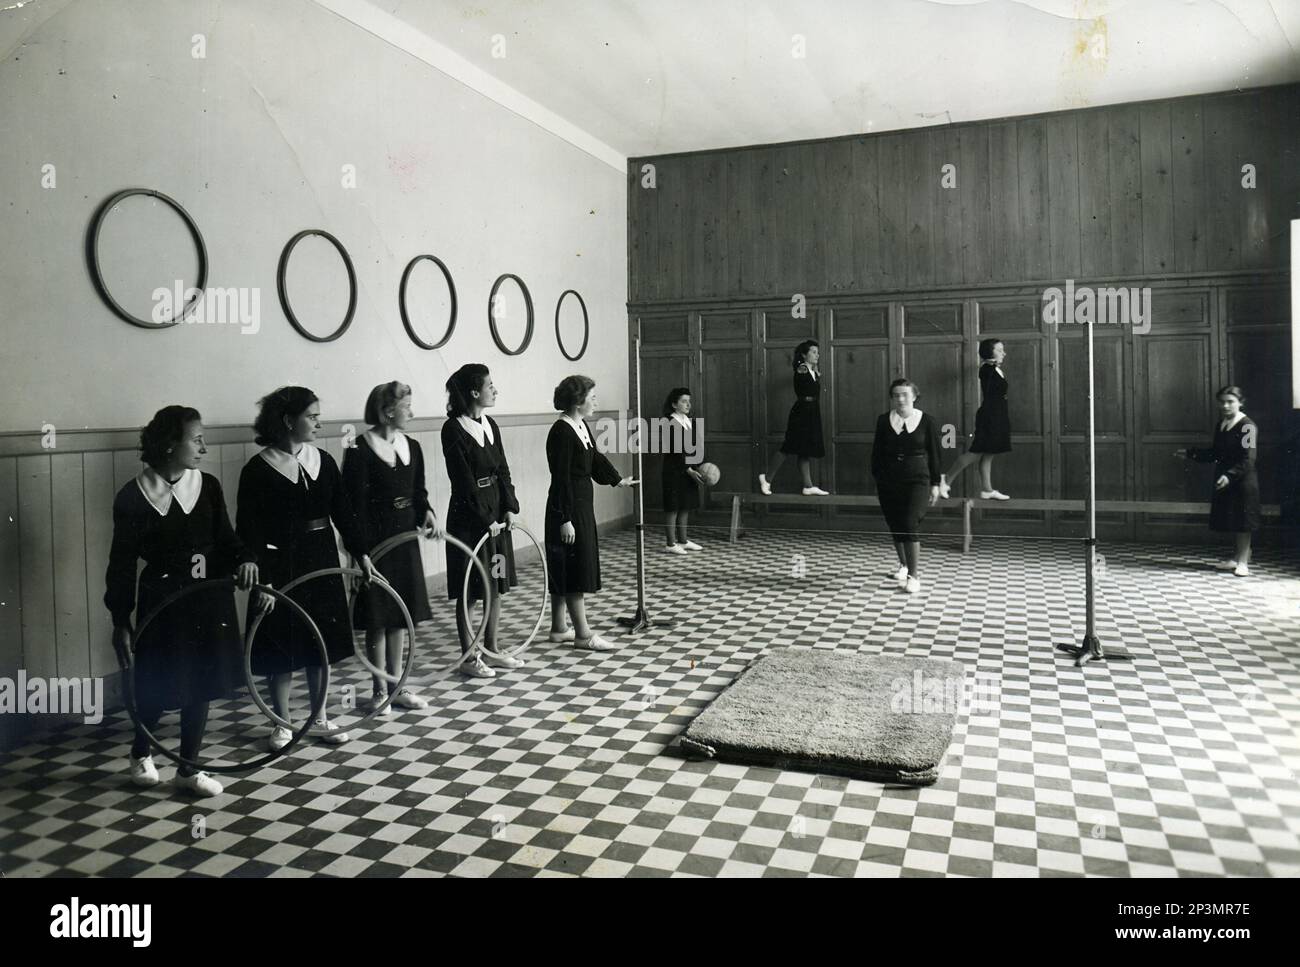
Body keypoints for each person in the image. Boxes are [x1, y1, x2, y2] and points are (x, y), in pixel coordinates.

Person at [105, 405, 258, 798]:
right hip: (163, 603)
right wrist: (120, 619)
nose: (204, 446)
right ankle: (142, 752)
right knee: (159, 681)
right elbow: (121, 564)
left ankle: (188, 768)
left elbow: (225, 540)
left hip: (209, 597)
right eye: (197, 438)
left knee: (203, 682)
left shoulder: (206, 486)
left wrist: (244, 561)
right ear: (171, 445)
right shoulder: (134, 497)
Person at [237, 386, 377, 752]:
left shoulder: (323, 461)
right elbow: (249, 530)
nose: (319, 422)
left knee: (320, 643)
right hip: (279, 564)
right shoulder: (258, 469)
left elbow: (343, 513)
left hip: (321, 558)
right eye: (311, 416)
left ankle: (318, 716)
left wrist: (360, 553)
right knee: (281, 644)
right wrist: (262, 581)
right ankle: (281, 721)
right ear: (287, 421)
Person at [341, 381, 441, 716]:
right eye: (407, 406)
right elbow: (352, 507)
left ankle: (398, 685)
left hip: (405, 539)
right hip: (375, 543)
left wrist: (427, 512)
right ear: (387, 411)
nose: (411, 412)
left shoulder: (412, 445)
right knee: (377, 616)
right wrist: (359, 554)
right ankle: (379, 689)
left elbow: (419, 491)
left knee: (401, 615)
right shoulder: (358, 449)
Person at [442, 364, 522, 679]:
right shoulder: (453, 429)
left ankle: (491, 648)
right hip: (469, 519)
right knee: (472, 590)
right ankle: (469, 655)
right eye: (491, 385)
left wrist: (509, 507)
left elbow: (502, 469)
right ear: (474, 392)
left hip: (497, 516)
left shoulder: (491, 425)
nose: (495, 389)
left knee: (496, 584)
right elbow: (462, 481)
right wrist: (485, 518)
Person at [545, 375, 636, 651]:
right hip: (568, 508)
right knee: (574, 569)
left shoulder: (579, 424)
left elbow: (594, 458)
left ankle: (560, 628)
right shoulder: (561, 431)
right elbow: (560, 478)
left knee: (567, 566)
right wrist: (565, 519)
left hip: (580, 505)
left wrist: (617, 479)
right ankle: (583, 635)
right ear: (577, 401)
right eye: (592, 397)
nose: (596, 401)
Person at [1176, 385, 1260, 576]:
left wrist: (1229, 475)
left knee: (1243, 522)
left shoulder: (1247, 426)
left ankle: (1243, 562)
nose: (1225, 405)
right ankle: (1236, 558)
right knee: (1233, 518)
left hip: (1243, 481)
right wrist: (1191, 453)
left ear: (1240, 403)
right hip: (1227, 479)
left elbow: (1249, 458)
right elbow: (1215, 453)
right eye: (1222, 402)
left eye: (1230, 402)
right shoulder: (1222, 424)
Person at [871, 379, 942, 594]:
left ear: (914, 396)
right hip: (889, 480)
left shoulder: (927, 421)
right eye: (896, 395)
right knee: (895, 523)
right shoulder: (884, 421)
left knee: (910, 523)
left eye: (905, 394)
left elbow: (936, 453)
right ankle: (903, 565)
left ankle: (914, 576)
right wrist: (879, 478)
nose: (900, 399)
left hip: (918, 479)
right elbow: (876, 454)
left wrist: (936, 483)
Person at [941, 338, 1010, 500]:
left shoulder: (995, 369)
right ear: (989, 352)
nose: (1004, 353)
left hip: (998, 415)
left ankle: (987, 489)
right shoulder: (987, 369)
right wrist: (991, 362)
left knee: (989, 453)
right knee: (976, 453)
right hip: (990, 416)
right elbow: (988, 377)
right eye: (999, 350)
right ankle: (946, 479)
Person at [759, 339, 828, 495]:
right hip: (802, 412)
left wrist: (815, 371)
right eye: (814, 352)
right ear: (804, 355)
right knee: (789, 446)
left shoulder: (812, 370)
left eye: (818, 352)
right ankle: (767, 479)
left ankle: (808, 486)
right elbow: (801, 373)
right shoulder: (803, 368)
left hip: (811, 412)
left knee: (805, 449)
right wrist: (813, 370)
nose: (817, 355)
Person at [661, 387, 705, 554]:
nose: (688, 404)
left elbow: (695, 447)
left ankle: (683, 540)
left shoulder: (689, 421)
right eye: (684, 401)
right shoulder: (668, 422)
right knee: (673, 507)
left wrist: (697, 467)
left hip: (689, 470)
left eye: (689, 401)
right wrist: (688, 469)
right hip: (674, 470)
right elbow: (676, 450)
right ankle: (670, 544)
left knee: (685, 505)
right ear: (674, 404)